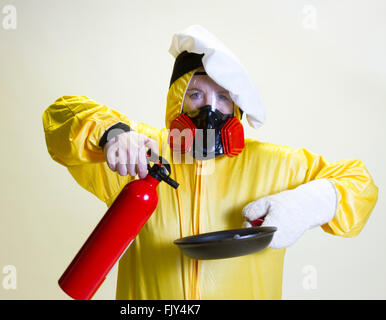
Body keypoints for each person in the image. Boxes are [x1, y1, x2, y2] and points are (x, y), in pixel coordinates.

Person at [42, 25, 378, 299]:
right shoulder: (142, 154)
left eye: (223, 97)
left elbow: (359, 182)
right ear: (177, 100)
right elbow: (61, 115)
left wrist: (310, 203)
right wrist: (112, 134)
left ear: (238, 108)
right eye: (196, 94)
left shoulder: (275, 166)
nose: (210, 109)